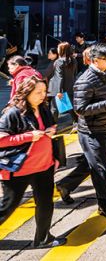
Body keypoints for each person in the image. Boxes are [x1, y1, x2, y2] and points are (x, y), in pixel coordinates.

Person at [55, 44, 106, 219]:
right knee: (101, 168)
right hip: (91, 132)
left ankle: (66, 185)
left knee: (91, 163)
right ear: (95, 60)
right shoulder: (85, 80)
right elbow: (80, 108)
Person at [0, 76, 66, 248]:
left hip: (44, 166)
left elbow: (50, 128)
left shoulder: (43, 109)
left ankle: (43, 238)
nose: (43, 95)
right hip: (18, 169)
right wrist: (28, 136)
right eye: (38, 92)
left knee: (45, 204)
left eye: (44, 91)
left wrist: (51, 131)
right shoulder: (12, 112)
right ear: (26, 93)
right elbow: (1, 140)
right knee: (7, 207)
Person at [48, 42, 79, 124]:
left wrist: (58, 91)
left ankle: (52, 126)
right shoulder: (73, 60)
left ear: (62, 49)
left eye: (58, 48)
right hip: (71, 87)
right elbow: (75, 74)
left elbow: (59, 76)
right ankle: (77, 122)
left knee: (54, 108)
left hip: (60, 88)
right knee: (70, 108)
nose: (57, 49)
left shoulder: (59, 62)